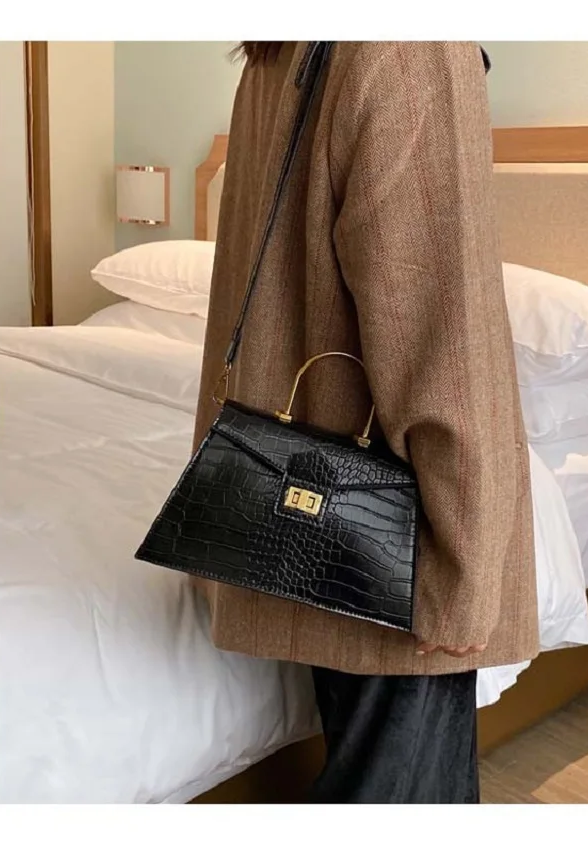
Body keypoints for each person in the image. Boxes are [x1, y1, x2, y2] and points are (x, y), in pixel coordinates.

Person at [191, 41, 538, 804]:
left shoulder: (277, 52)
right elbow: (443, 338)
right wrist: (469, 564)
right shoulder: (411, 46)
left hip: (301, 506)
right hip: (395, 537)